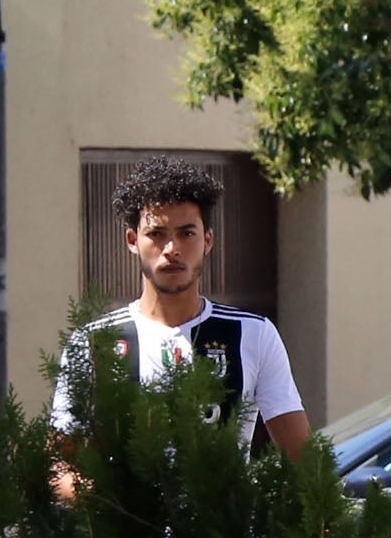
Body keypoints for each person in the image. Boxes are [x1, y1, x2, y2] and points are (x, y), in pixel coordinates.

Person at [52, 156, 309, 459]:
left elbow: (302, 459)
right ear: (133, 240)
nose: (172, 249)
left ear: (207, 241)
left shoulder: (254, 334)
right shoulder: (93, 342)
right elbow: (61, 467)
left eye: (186, 233)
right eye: (157, 234)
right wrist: (112, 502)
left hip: (224, 507)